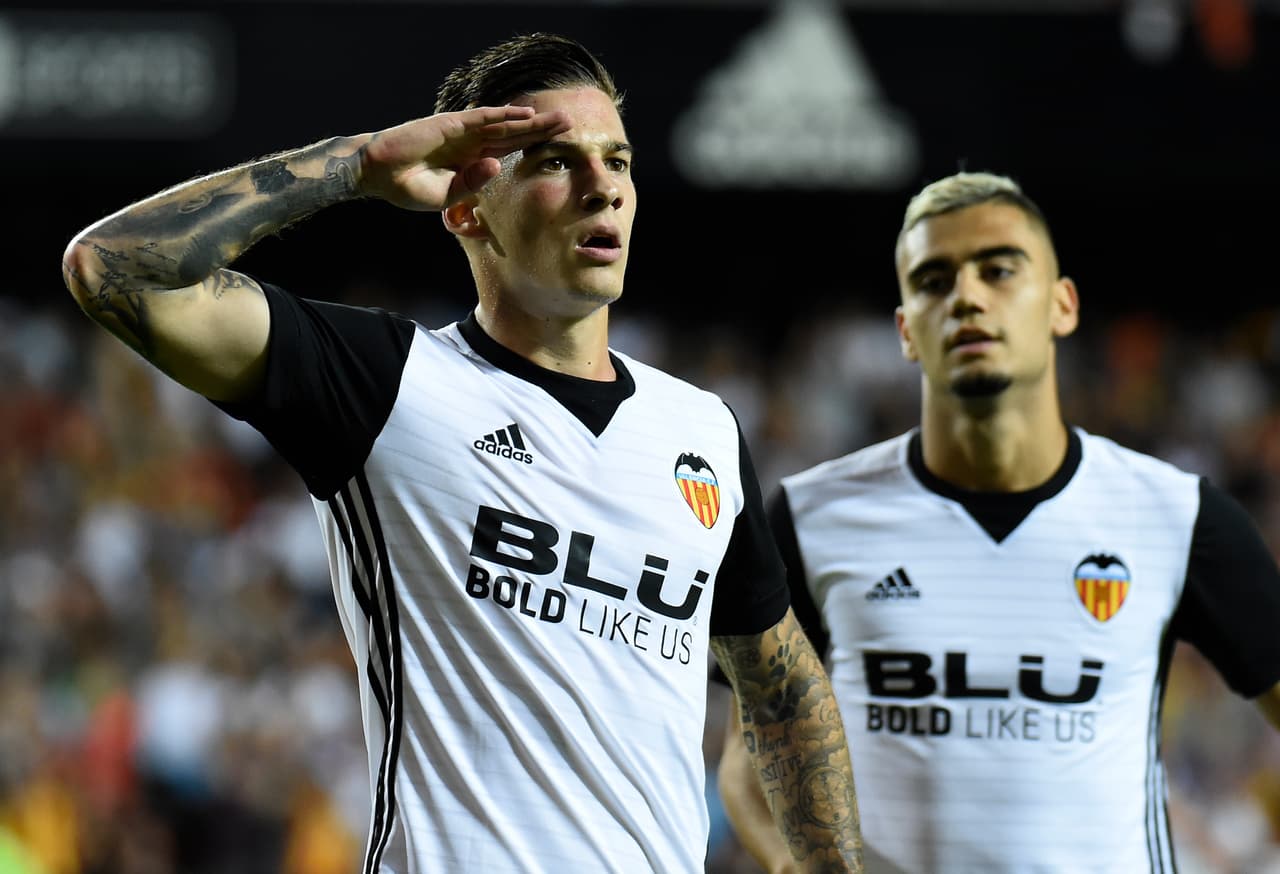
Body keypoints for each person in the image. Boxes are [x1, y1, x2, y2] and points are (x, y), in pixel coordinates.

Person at [60, 32, 863, 874]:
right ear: (467, 206)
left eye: (617, 160)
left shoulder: (699, 428)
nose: (605, 188)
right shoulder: (387, 385)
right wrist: (358, 164)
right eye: (556, 160)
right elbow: (115, 269)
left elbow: (783, 689)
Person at [717, 170, 1280, 873]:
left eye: (999, 270)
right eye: (933, 279)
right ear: (905, 331)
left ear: (1062, 305)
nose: (967, 297)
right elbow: (754, 746)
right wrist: (794, 864)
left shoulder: (1178, 516)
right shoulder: (810, 516)